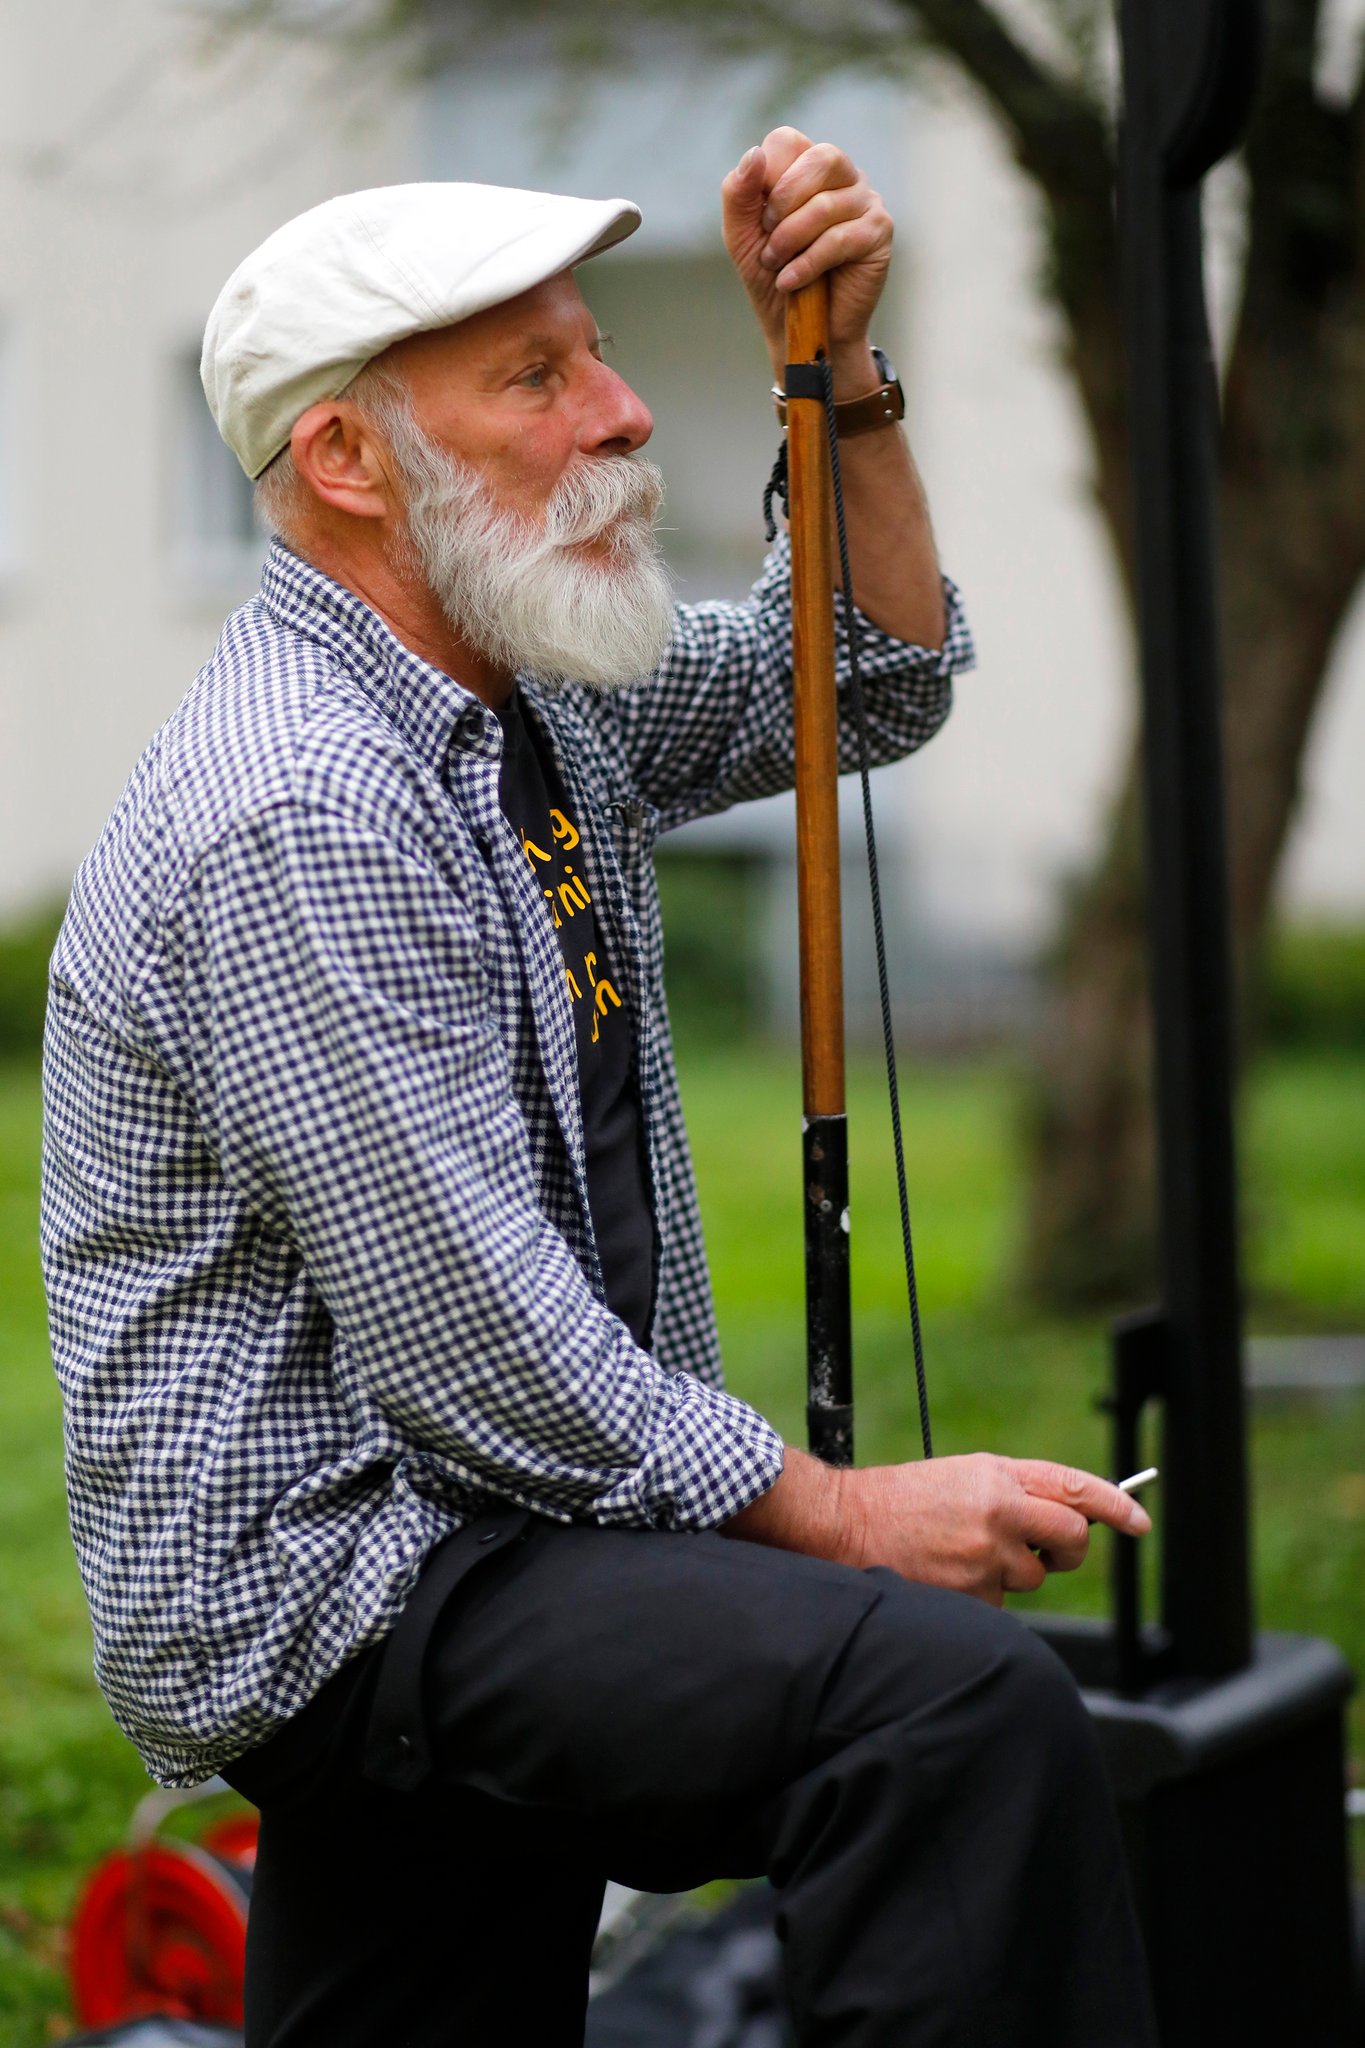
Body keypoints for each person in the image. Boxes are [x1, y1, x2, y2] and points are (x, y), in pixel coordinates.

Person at [42, 132, 1157, 2045]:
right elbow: (483, 1350)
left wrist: (837, 376)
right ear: (347, 461)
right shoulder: (300, 803)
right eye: (540, 377)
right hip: (358, 1578)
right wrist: (846, 1516)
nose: (628, 410)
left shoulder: (526, 685)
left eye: (598, 356)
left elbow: (868, 676)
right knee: (943, 1714)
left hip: (489, 1524)